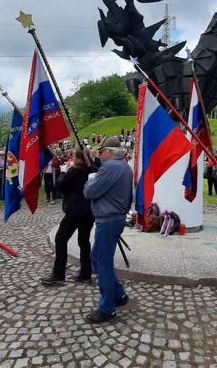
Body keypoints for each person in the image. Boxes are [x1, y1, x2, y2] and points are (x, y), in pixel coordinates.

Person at [82, 136, 134, 324]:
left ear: (110, 152)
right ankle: (119, 295)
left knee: (102, 262)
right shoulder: (125, 167)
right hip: (115, 218)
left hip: (108, 220)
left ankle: (107, 308)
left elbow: (89, 192)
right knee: (96, 258)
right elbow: (129, 196)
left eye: (102, 151)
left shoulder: (110, 167)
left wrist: (91, 179)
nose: (99, 154)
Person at [41, 147, 96, 286]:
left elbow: (58, 186)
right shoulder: (92, 168)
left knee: (60, 239)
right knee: (84, 242)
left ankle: (59, 273)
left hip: (75, 211)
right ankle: (85, 273)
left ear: (79, 158)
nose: (72, 158)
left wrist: (63, 172)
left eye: (74, 156)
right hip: (89, 211)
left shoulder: (75, 170)